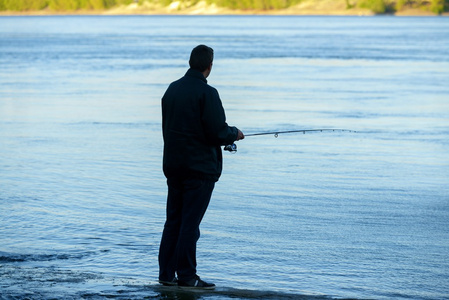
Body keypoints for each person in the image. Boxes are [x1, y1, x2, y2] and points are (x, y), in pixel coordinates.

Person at [158, 45, 244, 289]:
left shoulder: (172, 89)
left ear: (190, 62)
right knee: (189, 225)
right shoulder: (208, 93)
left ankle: (166, 274)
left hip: (174, 166)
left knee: (173, 221)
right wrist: (234, 134)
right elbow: (217, 131)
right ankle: (186, 277)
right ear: (210, 66)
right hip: (199, 170)